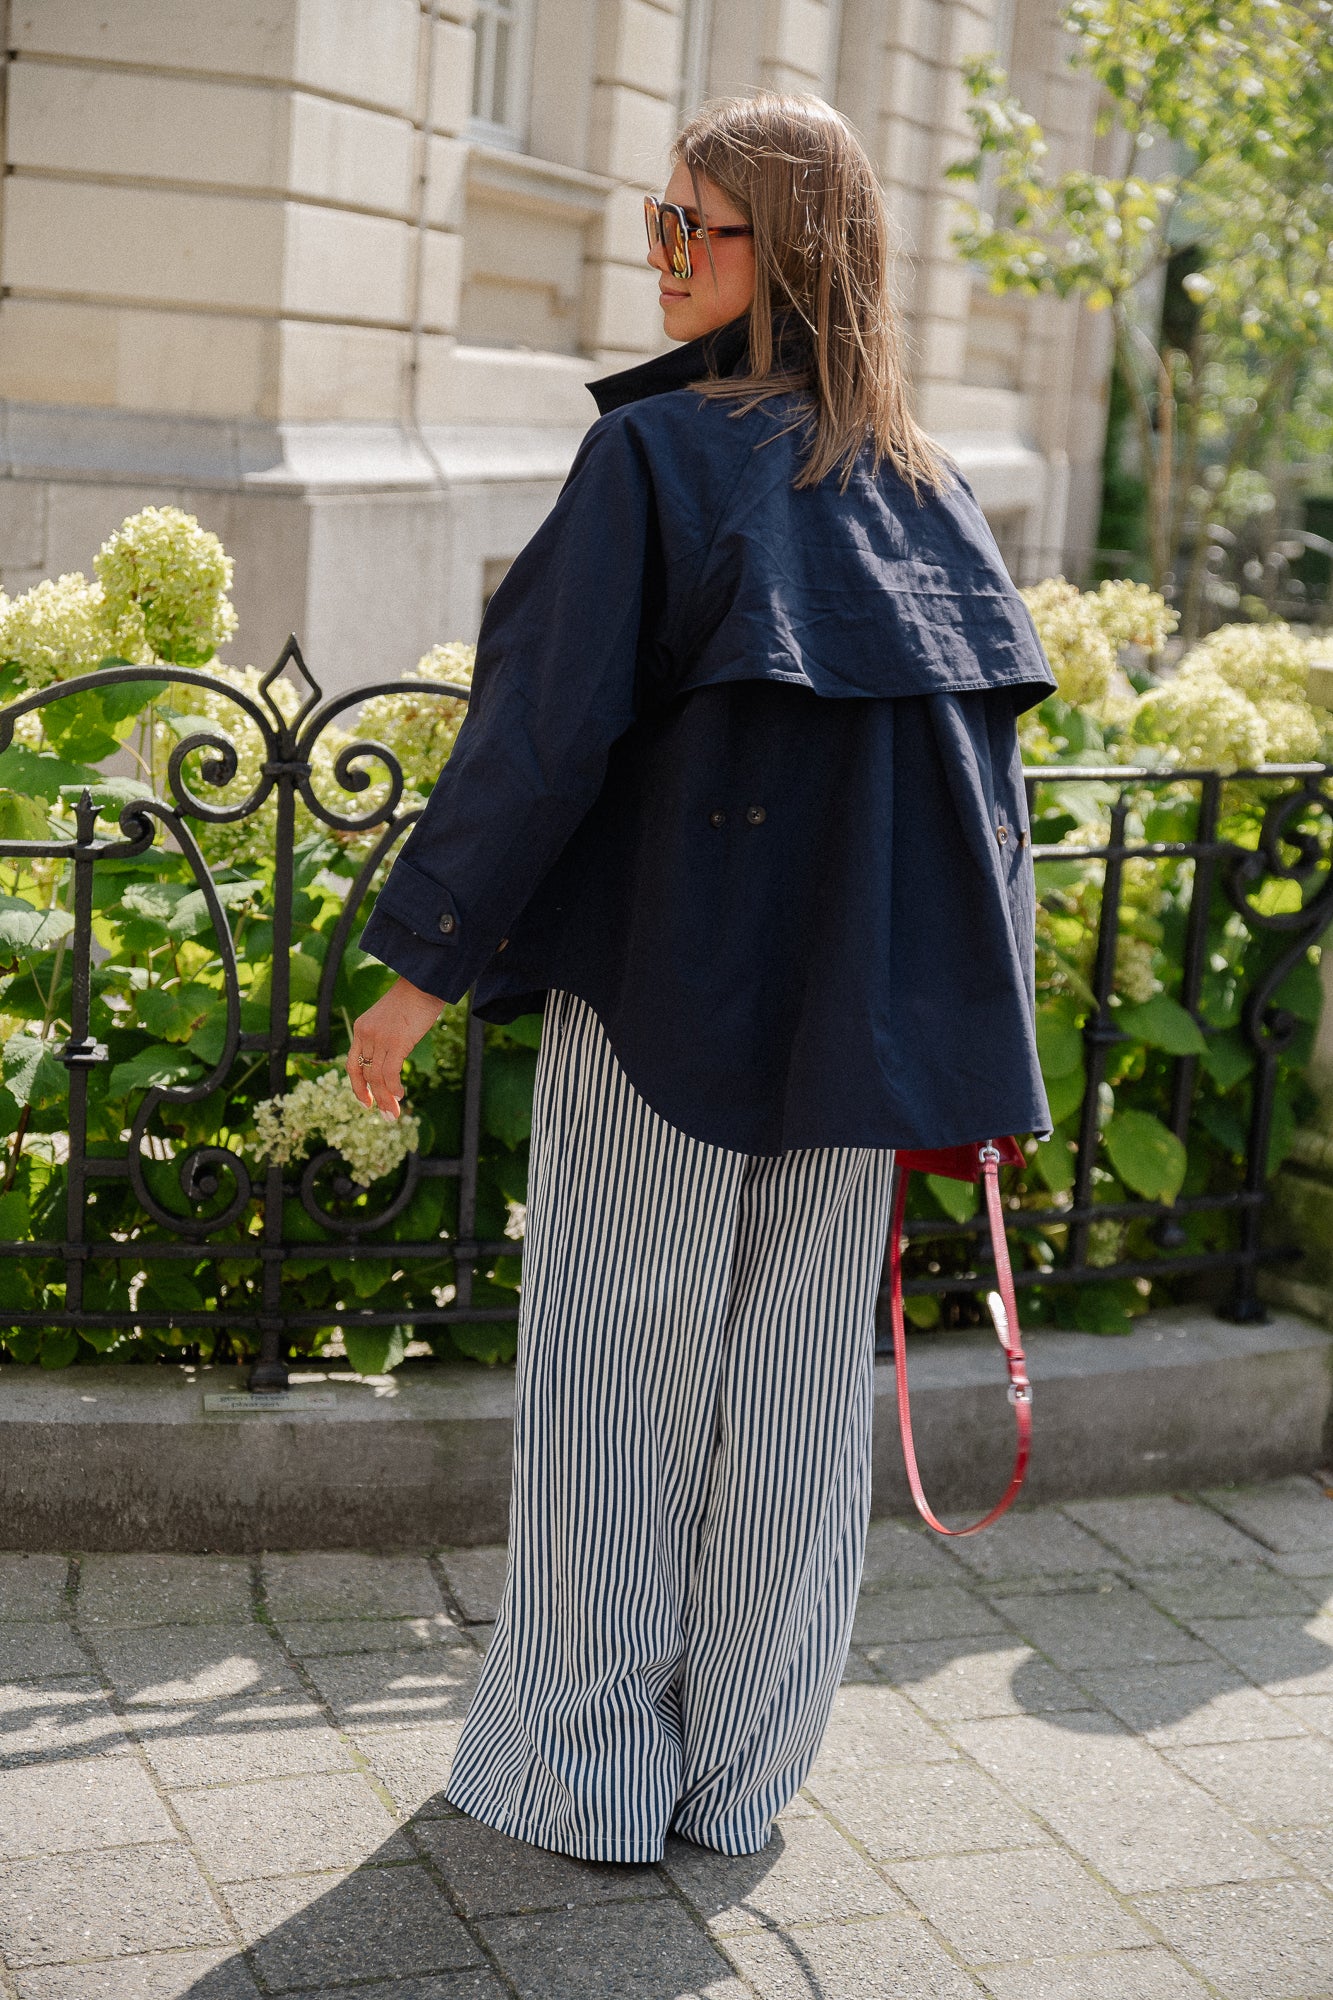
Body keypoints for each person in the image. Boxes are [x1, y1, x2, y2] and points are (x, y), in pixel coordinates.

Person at [348, 91, 1054, 1863]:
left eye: (692, 227)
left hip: (662, 1008)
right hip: (850, 1044)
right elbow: (996, 814)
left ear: (785, 255)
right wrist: (973, 1054)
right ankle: (741, 1776)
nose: (657, 257)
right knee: (790, 1419)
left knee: (615, 1394)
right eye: (654, 222)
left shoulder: (654, 462)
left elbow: (535, 742)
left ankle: (582, 1776)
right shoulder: (928, 488)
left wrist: (415, 974)